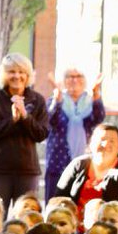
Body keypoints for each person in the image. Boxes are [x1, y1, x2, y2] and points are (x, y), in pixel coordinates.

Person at [0, 53, 49, 217]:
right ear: (5, 74)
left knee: (26, 218)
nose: (17, 76)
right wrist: (11, 120)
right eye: (11, 71)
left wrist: (25, 117)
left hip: (27, 170)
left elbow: (41, 134)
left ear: (28, 75)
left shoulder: (37, 100)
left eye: (21, 72)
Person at [44, 67, 105, 201]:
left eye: (78, 76)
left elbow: (99, 118)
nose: (74, 80)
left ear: (85, 81)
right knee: (54, 201)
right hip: (58, 161)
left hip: (84, 162)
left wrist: (96, 94)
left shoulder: (91, 100)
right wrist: (57, 100)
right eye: (70, 77)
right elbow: (50, 120)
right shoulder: (55, 98)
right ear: (64, 81)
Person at [54, 124, 118, 207]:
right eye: (102, 139)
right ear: (91, 143)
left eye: (112, 141)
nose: (106, 144)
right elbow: (59, 198)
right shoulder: (78, 164)